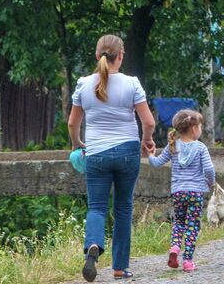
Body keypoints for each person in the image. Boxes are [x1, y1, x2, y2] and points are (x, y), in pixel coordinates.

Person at [68, 34, 156, 282]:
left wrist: (77, 144)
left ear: (97, 57)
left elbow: (73, 122)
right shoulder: (132, 84)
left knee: (96, 207)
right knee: (123, 208)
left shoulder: (83, 84)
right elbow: (148, 121)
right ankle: (120, 268)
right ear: (121, 56)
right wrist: (146, 140)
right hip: (128, 152)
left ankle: (93, 246)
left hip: (96, 153)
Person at [148, 109, 215, 273]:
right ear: (193, 128)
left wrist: (150, 154)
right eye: (200, 126)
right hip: (195, 193)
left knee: (178, 223)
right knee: (192, 225)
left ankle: (175, 247)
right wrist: (210, 182)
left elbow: (156, 163)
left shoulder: (173, 147)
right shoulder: (200, 148)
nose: (200, 129)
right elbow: (209, 169)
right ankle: (188, 261)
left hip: (178, 192)